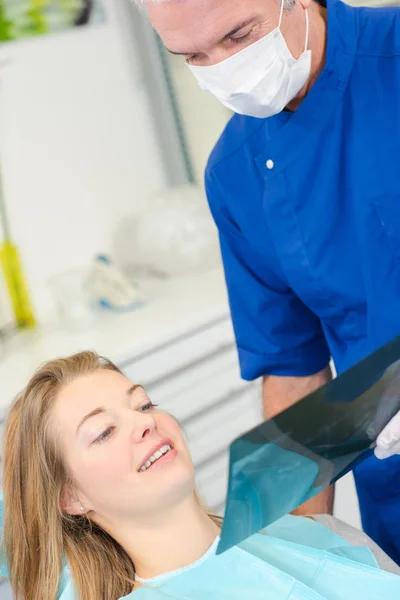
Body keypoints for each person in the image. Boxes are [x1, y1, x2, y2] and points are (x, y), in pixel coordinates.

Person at [136, 0, 400, 563]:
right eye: (192, 57)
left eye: (238, 36)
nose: (223, 68)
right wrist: (299, 561)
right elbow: (292, 373)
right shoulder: (235, 172)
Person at [1, 351, 400, 600]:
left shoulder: (318, 535)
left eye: (144, 405)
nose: (147, 424)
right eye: (104, 431)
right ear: (70, 498)